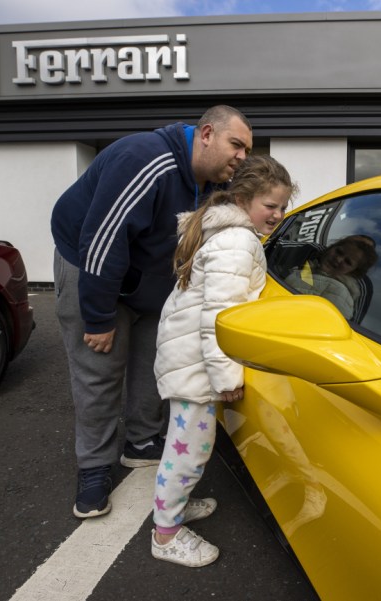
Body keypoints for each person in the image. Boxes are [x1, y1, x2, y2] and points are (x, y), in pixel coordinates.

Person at [51, 105, 253, 519]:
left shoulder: (203, 181)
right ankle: (93, 467)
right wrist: (99, 317)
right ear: (208, 134)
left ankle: (140, 442)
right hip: (92, 268)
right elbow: (103, 240)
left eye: (248, 150)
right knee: (99, 368)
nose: (242, 157)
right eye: (237, 145)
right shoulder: (147, 159)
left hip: (143, 279)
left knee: (152, 359)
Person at [151, 154, 295, 567]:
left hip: (189, 357)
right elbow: (220, 316)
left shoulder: (228, 232)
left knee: (188, 446)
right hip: (198, 364)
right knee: (188, 450)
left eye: (283, 206)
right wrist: (227, 376)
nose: (278, 214)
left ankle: (176, 504)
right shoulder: (238, 241)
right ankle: (166, 534)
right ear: (245, 199)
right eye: (271, 206)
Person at [283, 235, 378, 319]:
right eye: (339, 252)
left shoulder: (342, 292)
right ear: (332, 247)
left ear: (354, 272)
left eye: (348, 262)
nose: (338, 259)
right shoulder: (309, 255)